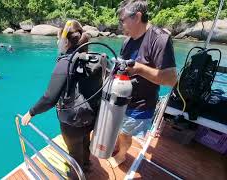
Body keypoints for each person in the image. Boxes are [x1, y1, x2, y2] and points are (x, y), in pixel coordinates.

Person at [21, 20, 101, 176]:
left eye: (59, 39)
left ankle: (76, 174)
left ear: (65, 42)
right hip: (90, 116)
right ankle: (86, 165)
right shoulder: (90, 57)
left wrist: (31, 112)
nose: (57, 42)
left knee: (74, 153)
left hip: (72, 122)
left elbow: (49, 98)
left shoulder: (64, 63)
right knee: (85, 142)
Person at [108, 0, 177, 168]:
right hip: (121, 96)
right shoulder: (127, 41)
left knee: (125, 133)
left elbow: (171, 79)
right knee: (118, 127)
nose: (121, 24)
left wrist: (139, 69)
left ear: (137, 17)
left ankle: (122, 155)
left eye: (122, 19)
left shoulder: (160, 39)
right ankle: (118, 146)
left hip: (140, 104)